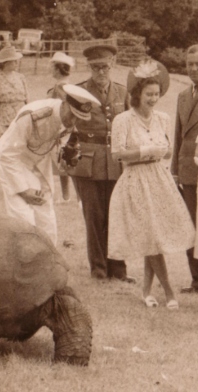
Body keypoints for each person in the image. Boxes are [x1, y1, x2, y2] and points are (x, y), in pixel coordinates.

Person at [108, 60, 194, 309]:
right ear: (137, 94)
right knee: (152, 237)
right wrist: (147, 150)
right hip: (135, 180)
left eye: (157, 94)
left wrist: (161, 151)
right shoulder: (123, 120)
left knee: (153, 237)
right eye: (149, 94)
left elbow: (167, 152)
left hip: (159, 180)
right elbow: (117, 154)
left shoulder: (163, 118)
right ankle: (169, 293)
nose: (154, 99)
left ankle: (146, 292)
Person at [0, 84, 100, 244]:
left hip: (37, 165)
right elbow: (7, 154)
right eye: (72, 115)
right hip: (12, 163)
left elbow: (58, 153)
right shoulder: (35, 115)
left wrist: (68, 159)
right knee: (24, 219)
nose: (73, 121)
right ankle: (24, 265)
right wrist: (24, 190)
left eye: (78, 118)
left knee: (46, 217)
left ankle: (49, 262)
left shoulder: (69, 123)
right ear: (65, 103)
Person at [66, 44, 135, 283]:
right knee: (94, 217)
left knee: (116, 216)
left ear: (113, 64)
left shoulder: (122, 91)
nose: (101, 72)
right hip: (88, 162)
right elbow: (66, 123)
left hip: (116, 162)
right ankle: (98, 270)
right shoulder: (78, 91)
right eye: (96, 67)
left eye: (105, 66)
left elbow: (130, 125)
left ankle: (118, 269)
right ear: (89, 67)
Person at [172, 44, 198, 294]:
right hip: (187, 170)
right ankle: (196, 279)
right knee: (189, 225)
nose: (193, 69)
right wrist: (174, 171)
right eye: (190, 64)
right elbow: (178, 135)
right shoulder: (182, 96)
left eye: (197, 64)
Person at [0, 46, 29, 195]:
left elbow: (27, 100)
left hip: (20, 119)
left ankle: (20, 185)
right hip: (3, 120)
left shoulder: (21, 77)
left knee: (20, 153)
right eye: (14, 60)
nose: (17, 63)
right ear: (5, 62)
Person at [47, 52, 77, 202]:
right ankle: (66, 197)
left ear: (59, 69)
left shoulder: (61, 87)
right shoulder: (66, 86)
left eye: (52, 67)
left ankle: (72, 197)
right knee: (64, 163)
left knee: (66, 162)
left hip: (63, 129)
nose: (50, 70)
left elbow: (63, 109)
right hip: (63, 128)